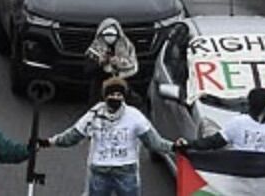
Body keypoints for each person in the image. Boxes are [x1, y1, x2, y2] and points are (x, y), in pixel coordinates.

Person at [38, 78, 174, 196]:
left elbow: (154, 142)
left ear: (124, 96)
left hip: (126, 171)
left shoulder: (134, 116)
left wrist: (174, 147)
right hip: (100, 172)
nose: (115, 98)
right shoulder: (93, 115)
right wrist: (50, 142)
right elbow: (73, 136)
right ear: (105, 96)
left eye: (119, 94)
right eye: (112, 94)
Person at [174, 87, 265, 154]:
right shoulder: (239, 123)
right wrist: (188, 144)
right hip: (240, 171)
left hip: (262, 174)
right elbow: (215, 141)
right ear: (261, 103)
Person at [84, 18, 137, 101]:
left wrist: (120, 63)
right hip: (100, 88)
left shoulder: (126, 46)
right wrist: (101, 63)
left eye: (112, 35)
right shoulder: (94, 49)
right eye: (107, 34)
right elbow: (88, 70)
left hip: (122, 86)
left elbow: (133, 67)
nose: (110, 38)